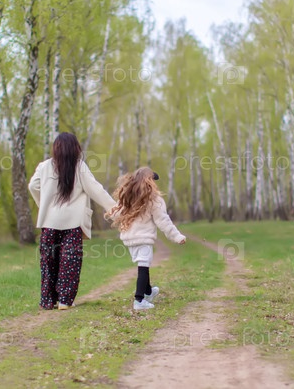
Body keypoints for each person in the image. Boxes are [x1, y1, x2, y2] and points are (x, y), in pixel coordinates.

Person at [29, 132, 115, 310]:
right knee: (70, 262)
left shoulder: (44, 166)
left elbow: (33, 186)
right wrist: (115, 209)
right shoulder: (80, 167)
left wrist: (43, 205)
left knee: (48, 262)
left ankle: (48, 301)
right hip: (73, 223)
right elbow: (96, 190)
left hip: (49, 223)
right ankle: (65, 301)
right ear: (75, 148)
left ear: (56, 148)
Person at [105, 167, 186, 310]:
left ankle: (148, 292)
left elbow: (116, 214)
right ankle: (139, 300)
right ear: (150, 182)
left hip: (129, 239)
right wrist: (177, 236)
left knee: (144, 263)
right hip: (143, 239)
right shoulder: (154, 200)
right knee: (143, 267)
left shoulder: (128, 196)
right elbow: (163, 220)